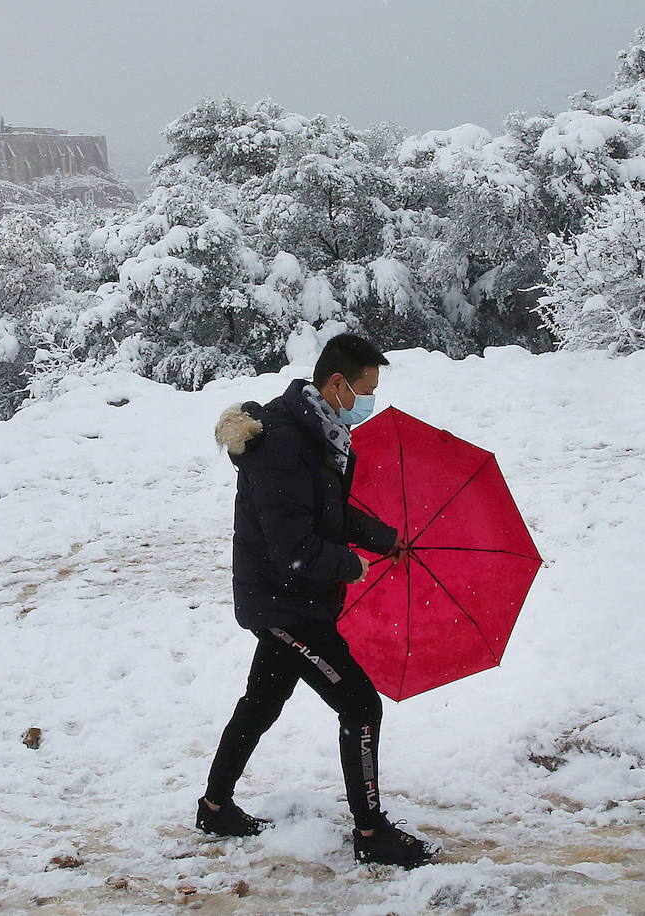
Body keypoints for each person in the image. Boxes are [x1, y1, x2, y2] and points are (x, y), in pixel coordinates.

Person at [198, 333, 437, 869]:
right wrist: (351, 566)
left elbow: (326, 515)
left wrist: (381, 537)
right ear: (337, 384)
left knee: (261, 702)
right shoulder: (285, 445)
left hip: (294, 600)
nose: (368, 401)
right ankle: (372, 834)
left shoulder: (320, 435)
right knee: (360, 705)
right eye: (366, 390)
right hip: (284, 604)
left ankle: (215, 807)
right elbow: (293, 548)